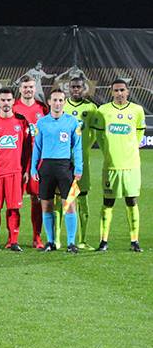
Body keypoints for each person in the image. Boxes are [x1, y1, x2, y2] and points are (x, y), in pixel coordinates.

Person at [91, 79, 144, 252]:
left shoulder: (137, 110)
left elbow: (139, 132)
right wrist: (107, 151)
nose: (119, 93)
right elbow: (99, 136)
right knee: (108, 202)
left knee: (131, 201)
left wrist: (132, 147)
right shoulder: (103, 111)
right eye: (116, 90)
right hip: (111, 165)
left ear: (128, 91)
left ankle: (134, 241)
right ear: (111, 92)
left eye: (122, 90)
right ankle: (103, 241)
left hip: (131, 165)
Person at [30, 88, 83, 253]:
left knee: (69, 204)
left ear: (65, 102)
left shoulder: (72, 122)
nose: (58, 103)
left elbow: (77, 147)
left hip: (65, 167)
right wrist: (33, 167)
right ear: (49, 102)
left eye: (61, 100)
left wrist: (79, 167)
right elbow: (37, 147)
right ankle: (51, 242)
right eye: (55, 100)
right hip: (46, 167)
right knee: (46, 205)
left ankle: (71, 243)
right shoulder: (42, 123)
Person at [0, 88, 31, 251]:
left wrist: (26, 170)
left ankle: (14, 241)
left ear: (13, 101)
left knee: (14, 208)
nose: (6, 103)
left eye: (9, 100)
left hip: (15, 172)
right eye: (3, 100)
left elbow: (27, 151)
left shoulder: (21, 122)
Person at [14, 76, 49, 249]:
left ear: (35, 89)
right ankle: (13, 238)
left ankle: (37, 237)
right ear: (20, 89)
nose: (28, 90)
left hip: (37, 161)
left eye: (31, 87)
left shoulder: (42, 108)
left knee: (36, 198)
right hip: (16, 161)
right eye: (25, 87)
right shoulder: (13, 107)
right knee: (15, 200)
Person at [63, 77, 98, 249]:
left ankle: (82, 240)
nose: (76, 89)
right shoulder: (62, 105)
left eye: (79, 87)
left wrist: (84, 149)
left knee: (82, 198)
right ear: (68, 88)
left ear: (84, 88)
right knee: (63, 199)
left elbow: (94, 134)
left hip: (81, 161)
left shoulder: (91, 108)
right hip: (62, 161)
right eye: (73, 86)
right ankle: (56, 239)